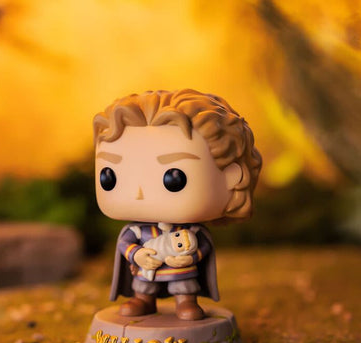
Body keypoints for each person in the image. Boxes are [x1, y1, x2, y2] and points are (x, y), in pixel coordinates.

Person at [93, 89, 262, 320]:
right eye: (108, 176)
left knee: (184, 286)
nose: (139, 193)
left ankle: (186, 302)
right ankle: (142, 300)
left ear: (232, 176)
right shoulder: (138, 232)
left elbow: (203, 247)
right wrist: (137, 255)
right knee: (143, 286)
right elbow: (125, 244)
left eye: (174, 178)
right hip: (146, 271)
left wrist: (192, 258)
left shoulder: (190, 231)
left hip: (182, 271)